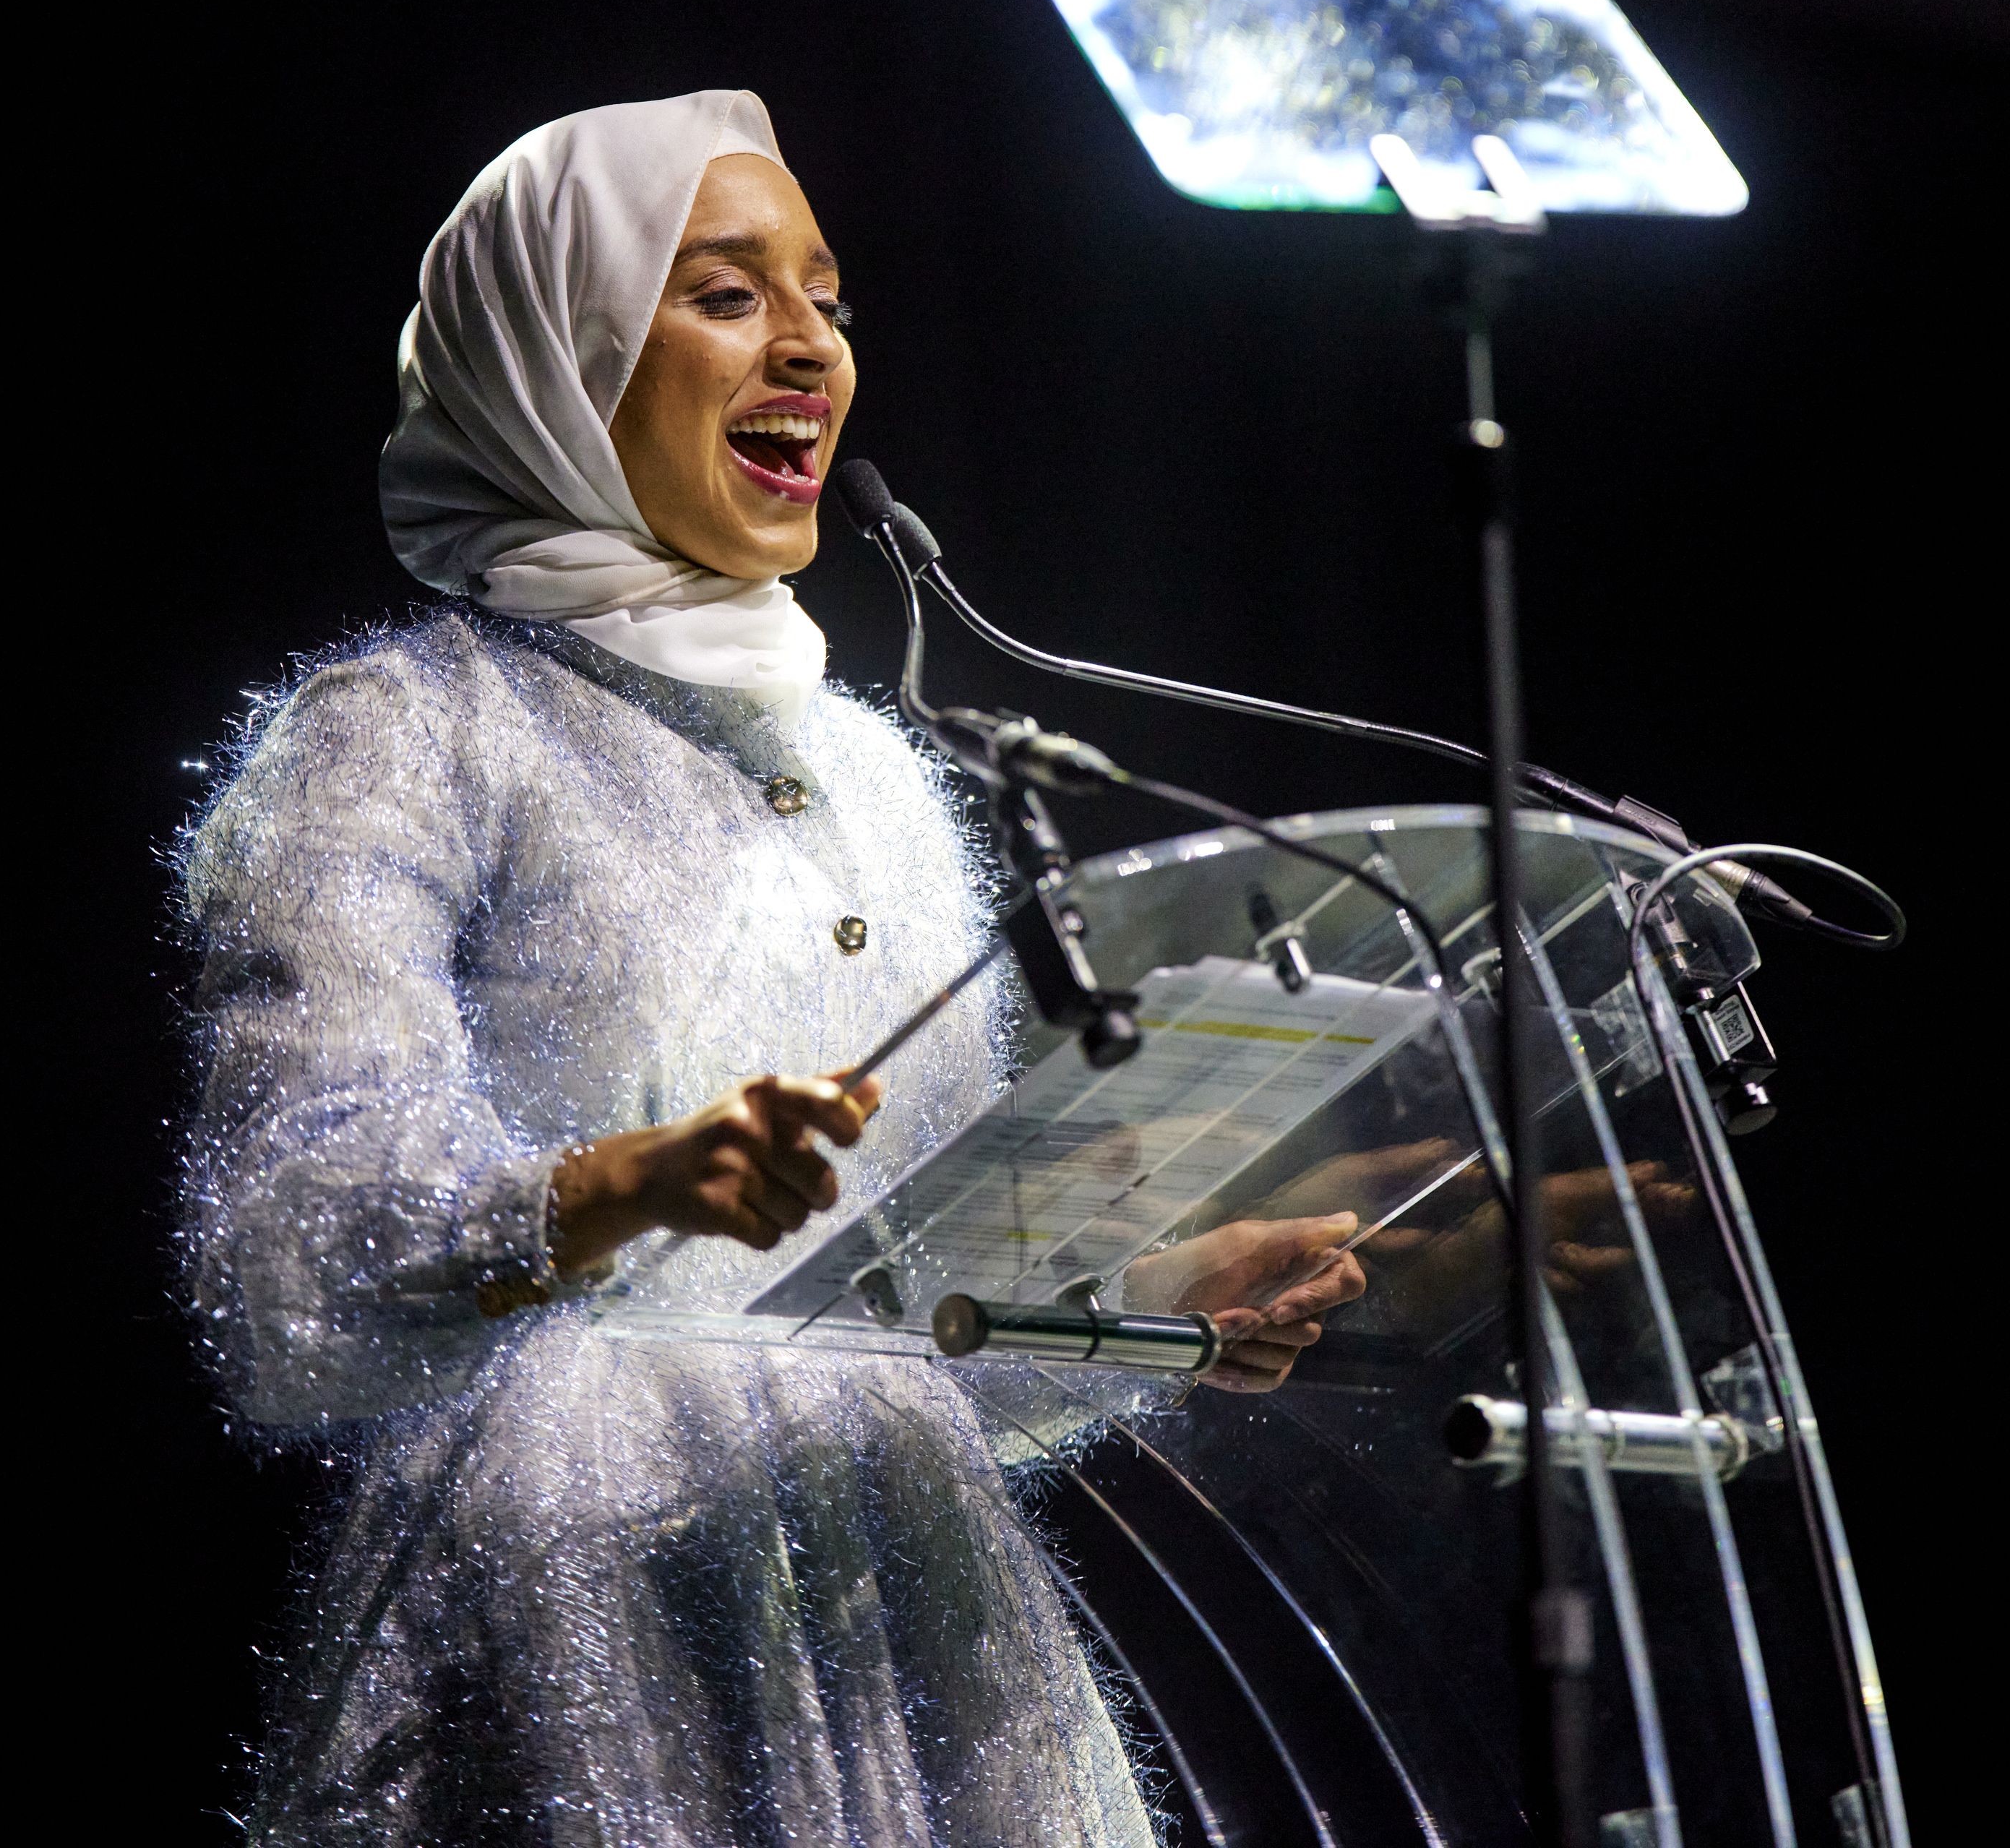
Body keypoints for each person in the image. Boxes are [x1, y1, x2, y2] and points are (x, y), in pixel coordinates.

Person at [183, 90, 1366, 1847]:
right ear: (555, 354)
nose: (812, 345)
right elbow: (293, 1266)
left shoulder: (876, 773)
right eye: (728, 294)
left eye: (829, 298)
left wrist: (1151, 1311)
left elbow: (920, 1325)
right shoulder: (403, 735)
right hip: (585, 1613)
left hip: (913, 1625)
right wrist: (622, 1188)